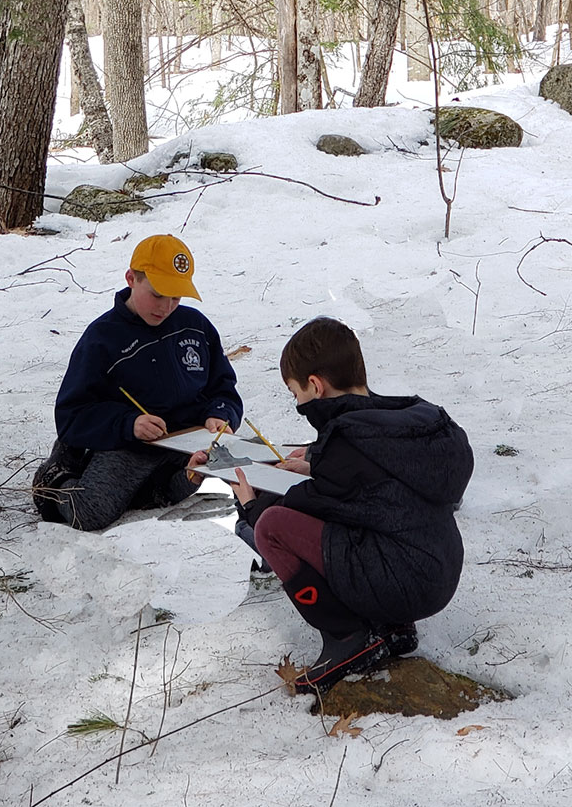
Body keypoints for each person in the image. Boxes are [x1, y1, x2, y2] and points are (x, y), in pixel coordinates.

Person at [212, 317, 473, 694]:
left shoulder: (345, 446)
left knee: (272, 526)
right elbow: (370, 487)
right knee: (349, 528)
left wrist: (250, 503)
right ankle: (392, 627)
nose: (298, 403)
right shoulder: (407, 420)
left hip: (402, 581)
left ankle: (346, 637)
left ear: (315, 386)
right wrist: (316, 461)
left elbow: (299, 508)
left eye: (296, 393)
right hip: (439, 571)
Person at [33, 234, 242, 531]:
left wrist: (220, 414)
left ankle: (154, 489)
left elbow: (223, 388)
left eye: (176, 297)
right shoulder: (102, 339)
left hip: (190, 439)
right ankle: (58, 474)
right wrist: (129, 424)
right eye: (157, 294)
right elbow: (71, 415)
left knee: (234, 486)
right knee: (91, 513)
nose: (166, 306)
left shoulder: (195, 326)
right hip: (133, 444)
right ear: (131, 278)